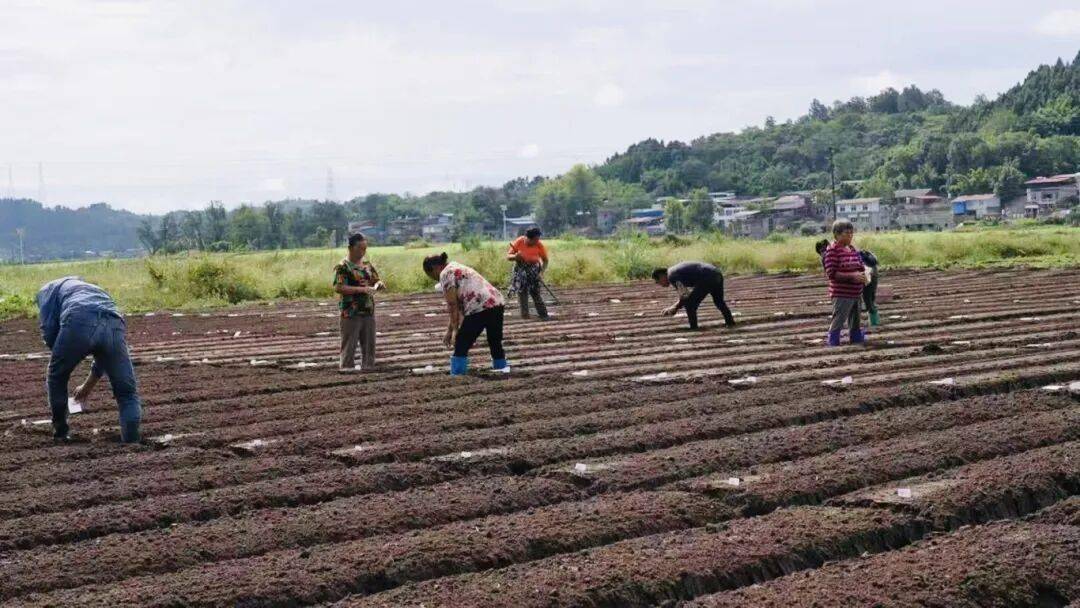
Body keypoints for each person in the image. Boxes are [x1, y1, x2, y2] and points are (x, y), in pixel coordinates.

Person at [35, 277, 142, 442]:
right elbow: (103, 354)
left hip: (79, 320)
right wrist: (88, 385)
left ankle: (61, 433)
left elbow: (49, 332)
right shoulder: (90, 289)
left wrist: (62, 355)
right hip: (114, 321)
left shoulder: (45, 293)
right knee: (127, 393)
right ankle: (132, 441)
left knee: (56, 376)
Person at [423, 252, 509, 376]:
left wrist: (454, 332)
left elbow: (452, 305)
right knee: (494, 340)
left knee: (461, 342)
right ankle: (502, 369)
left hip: (479, 306)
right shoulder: (455, 266)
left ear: (435, 268)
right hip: (496, 302)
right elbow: (457, 306)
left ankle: (457, 375)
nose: (433, 278)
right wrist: (450, 329)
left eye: (431, 275)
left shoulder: (445, 274)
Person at [333, 233, 383, 372]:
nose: (363, 252)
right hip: (351, 311)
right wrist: (361, 290)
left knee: (369, 346)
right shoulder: (342, 267)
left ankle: (368, 370)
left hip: (368, 310)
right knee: (349, 344)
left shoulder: (367, 265)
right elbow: (339, 287)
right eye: (360, 249)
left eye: (365, 249)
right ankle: (347, 369)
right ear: (351, 248)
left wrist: (378, 284)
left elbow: (376, 280)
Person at [652, 261, 736, 330]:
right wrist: (675, 306)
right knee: (719, 301)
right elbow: (685, 295)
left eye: (657, 281)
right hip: (716, 273)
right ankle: (730, 323)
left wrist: (675, 307)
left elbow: (685, 295)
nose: (659, 284)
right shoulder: (673, 272)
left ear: (661, 276)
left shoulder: (671, 276)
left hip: (707, 276)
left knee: (690, 304)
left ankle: (693, 328)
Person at [822, 220, 868, 346]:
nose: (850, 236)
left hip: (856, 292)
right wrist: (852, 276)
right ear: (837, 234)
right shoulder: (832, 251)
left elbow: (860, 266)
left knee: (856, 319)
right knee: (839, 319)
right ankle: (833, 342)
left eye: (851, 233)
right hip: (842, 293)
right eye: (846, 233)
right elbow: (831, 273)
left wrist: (865, 274)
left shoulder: (852, 249)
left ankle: (856, 339)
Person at [816, 238, 880, 327]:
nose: (824, 253)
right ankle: (865, 324)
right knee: (859, 300)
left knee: (868, 298)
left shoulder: (842, 251)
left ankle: (875, 323)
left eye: (824, 250)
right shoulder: (832, 254)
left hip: (868, 272)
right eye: (822, 252)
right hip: (861, 275)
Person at [506, 227, 549, 320]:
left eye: (538, 239)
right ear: (528, 238)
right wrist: (515, 257)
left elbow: (545, 261)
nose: (537, 241)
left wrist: (541, 273)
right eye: (535, 239)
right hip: (521, 271)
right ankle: (525, 316)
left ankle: (544, 315)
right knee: (522, 293)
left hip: (533, 271)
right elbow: (508, 256)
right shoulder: (520, 241)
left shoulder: (539, 245)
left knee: (536, 293)